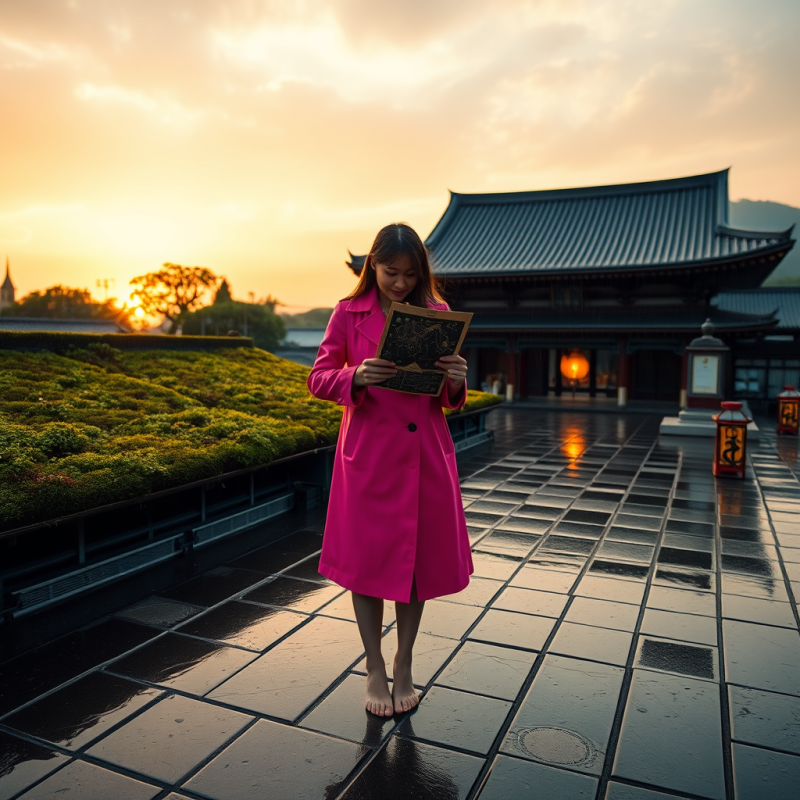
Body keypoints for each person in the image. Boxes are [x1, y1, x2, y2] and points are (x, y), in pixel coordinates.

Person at [307, 223, 473, 718]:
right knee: (366, 568)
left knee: (417, 566)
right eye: (389, 272)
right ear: (371, 267)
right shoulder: (347, 312)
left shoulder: (437, 314)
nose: (399, 283)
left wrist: (457, 379)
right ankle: (374, 668)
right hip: (369, 456)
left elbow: (448, 398)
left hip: (423, 453)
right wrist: (353, 375)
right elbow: (317, 377)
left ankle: (404, 664)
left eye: (409, 274)